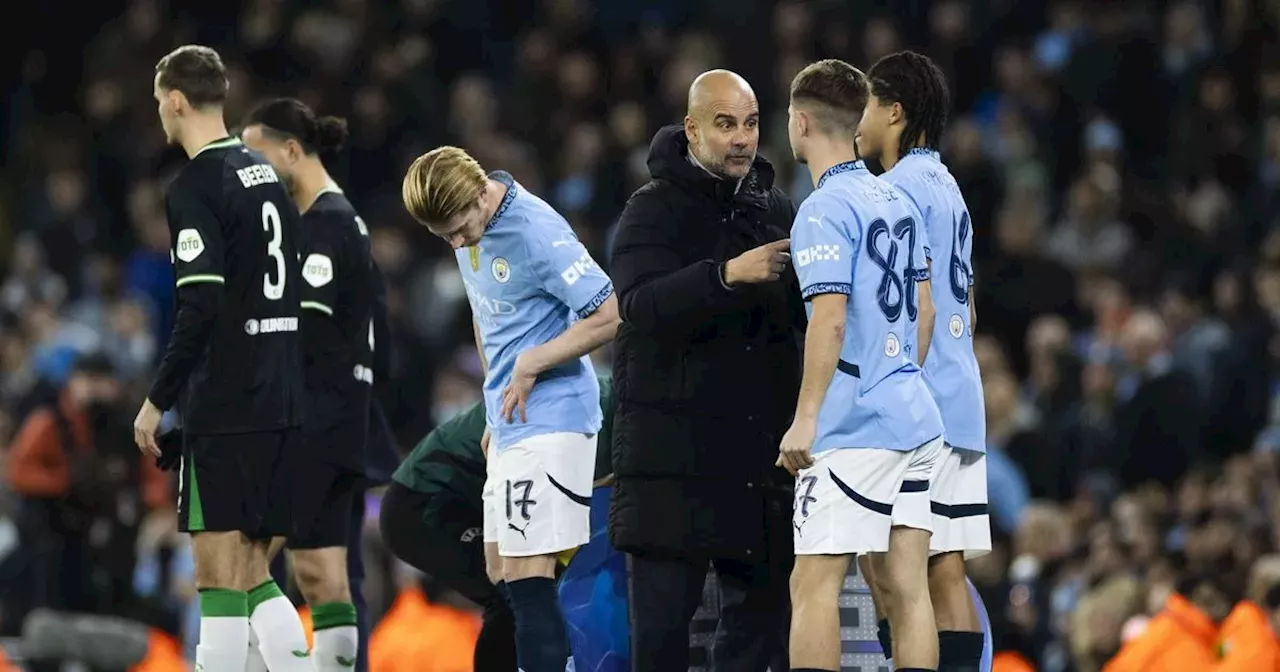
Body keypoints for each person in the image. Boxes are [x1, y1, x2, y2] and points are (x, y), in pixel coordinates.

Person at [608, 68, 803, 672]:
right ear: (691, 128)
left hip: (755, 466)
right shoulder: (651, 209)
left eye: (749, 124)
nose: (742, 138)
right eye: (725, 125)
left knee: (757, 640)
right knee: (661, 646)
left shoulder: (775, 207)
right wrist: (724, 276)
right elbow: (637, 305)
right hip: (673, 469)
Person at [401, 146, 620, 672]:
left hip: (556, 415)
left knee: (526, 579)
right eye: (445, 236)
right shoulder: (468, 225)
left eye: (459, 229)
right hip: (513, 422)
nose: (457, 242)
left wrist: (530, 365)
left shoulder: (535, 230)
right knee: (501, 576)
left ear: (481, 194)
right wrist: (493, 405)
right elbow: (485, 313)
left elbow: (610, 313)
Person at [130, 45, 312, 671]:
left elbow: (200, 305)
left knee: (215, 575)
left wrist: (156, 400)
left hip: (229, 402)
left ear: (175, 101)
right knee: (253, 569)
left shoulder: (195, 186)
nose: (159, 114)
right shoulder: (266, 175)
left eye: (159, 103)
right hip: (281, 394)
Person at [777, 59, 945, 672]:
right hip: (916, 416)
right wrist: (900, 376)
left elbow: (830, 318)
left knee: (812, 586)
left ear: (800, 123)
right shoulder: (897, 198)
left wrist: (806, 419)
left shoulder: (821, 210)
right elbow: (924, 311)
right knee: (909, 588)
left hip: (855, 426)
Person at [855, 50, 989, 672]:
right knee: (945, 569)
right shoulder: (948, 186)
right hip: (962, 393)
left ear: (895, 110)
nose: (861, 119)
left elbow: (916, 308)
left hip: (922, 401)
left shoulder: (895, 187)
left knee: (892, 565)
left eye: (868, 104)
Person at [240, 98, 377, 672]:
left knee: (240, 571)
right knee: (321, 575)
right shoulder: (344, 219)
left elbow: (300, 329)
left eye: (256, 158)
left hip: (310, 423)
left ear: (291, 152)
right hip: (344, 423)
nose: (248, 174)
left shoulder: (321, 227)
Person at [380, 376, 616, 671]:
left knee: (529, 595)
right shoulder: (596, 417)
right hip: (427, 503)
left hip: (473, 495)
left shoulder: (609, 407)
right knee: (518, 597)